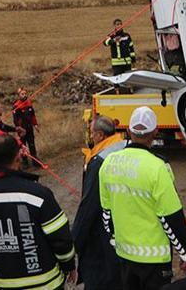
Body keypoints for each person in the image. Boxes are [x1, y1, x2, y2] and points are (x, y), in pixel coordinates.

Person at [99, 106, 186, 290]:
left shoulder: (108, 163)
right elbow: (172, 216)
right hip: (155, 258)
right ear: (155, 133)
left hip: (124, 253)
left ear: (128, 131)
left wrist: (114, 239)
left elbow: (107, 213)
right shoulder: (158, 167)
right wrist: (185, 253)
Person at [0, 135, 77, 289]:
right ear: (18, 157)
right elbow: (60, 238)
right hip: (45, 283)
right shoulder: (38, 194)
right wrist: (68, 265)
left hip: (2, 283)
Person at [72, 116, 125, 290]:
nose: (90, 137)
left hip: (102, 238)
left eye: (92, 133)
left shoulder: (99, 161)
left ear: (101, 135)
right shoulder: (123, 147)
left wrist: (74, 244)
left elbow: (88, 208)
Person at [13, 88, 41, 167]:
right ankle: (25, 162)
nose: (24, 95)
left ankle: (35, 161)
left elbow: (32, 116)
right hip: (22, 130)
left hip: (29, 128)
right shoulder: (16, 106)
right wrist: (19, 129)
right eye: (22, 94)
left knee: (32, 144)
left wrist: (35, 125)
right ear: (19, 95)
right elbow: (15, 120)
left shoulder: (29, 103)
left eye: (25, 93)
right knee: (23, 146)